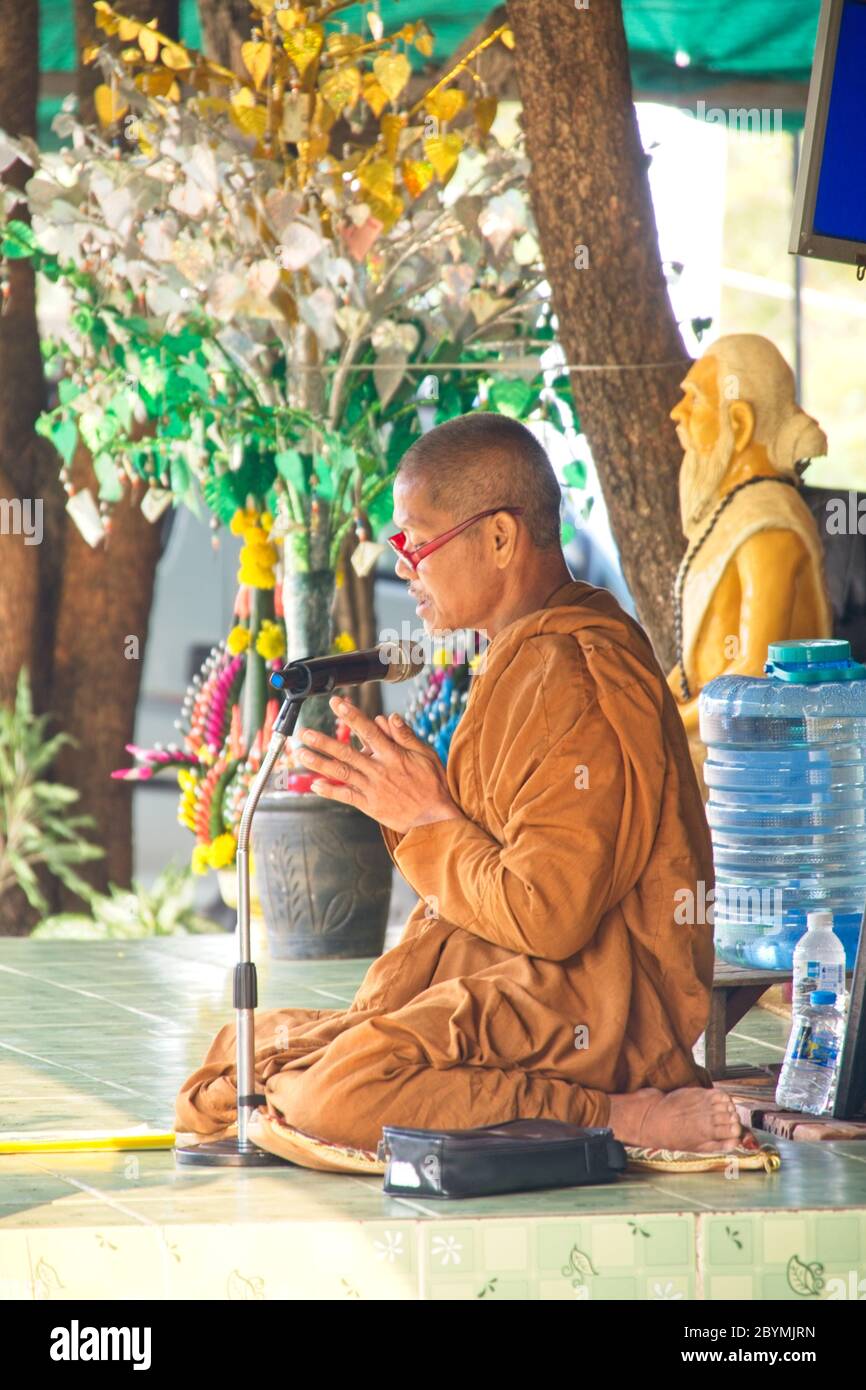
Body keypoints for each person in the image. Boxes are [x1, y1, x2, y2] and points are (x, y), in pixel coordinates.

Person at [175, 412, 746, 1168]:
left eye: (415, 542)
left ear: (501, 538)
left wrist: (429, 817)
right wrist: (414, 808)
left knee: (331, 1097)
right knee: (238, 1056)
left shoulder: (571, 669)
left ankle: (616, 1113)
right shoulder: (523, 655)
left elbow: (551, 917)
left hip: (591, 1010)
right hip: (511, 984)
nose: (403, 566)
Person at [666, 334, 833, 792]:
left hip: (759, 781)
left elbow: (759, 669)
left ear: (738, 424)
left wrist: (667, 726)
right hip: (715, 752)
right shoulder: (734, 511)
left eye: (694, 400)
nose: (676, 414)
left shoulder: (770, 527)